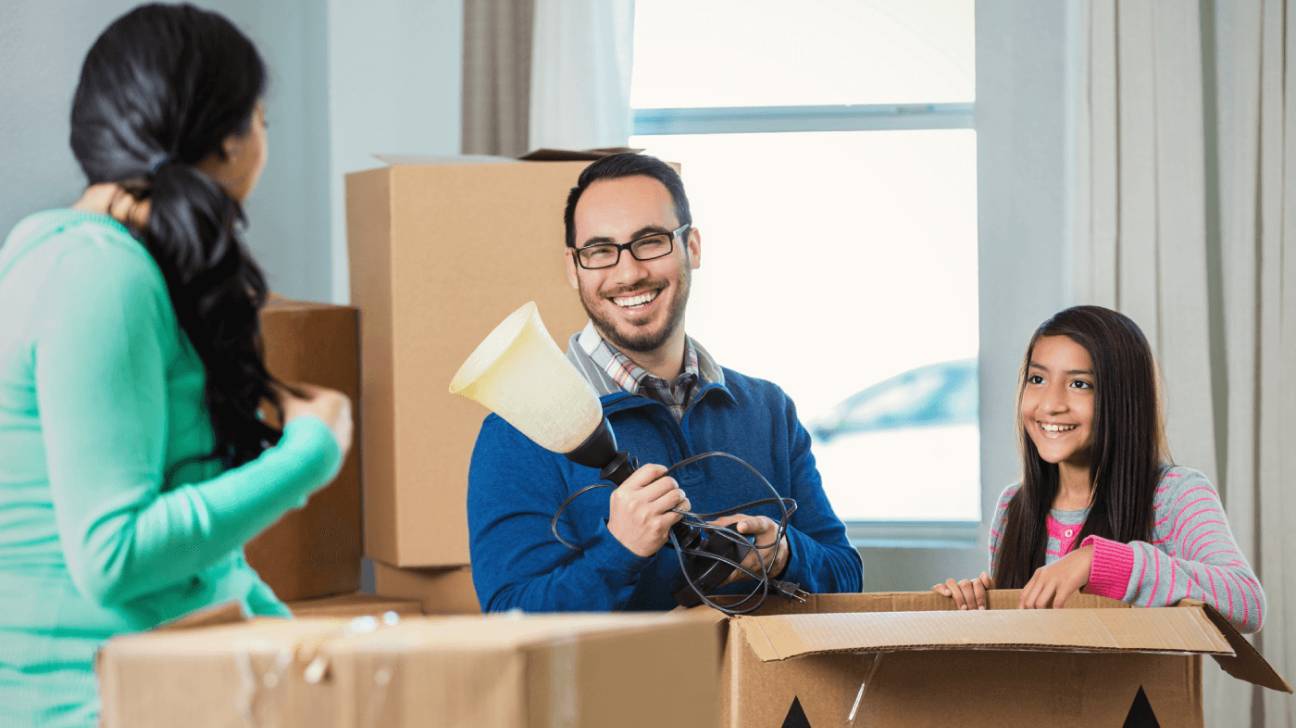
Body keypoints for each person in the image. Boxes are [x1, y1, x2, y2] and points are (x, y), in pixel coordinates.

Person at [0, 5, 353, 725]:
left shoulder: (108, 264)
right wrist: (309, 456)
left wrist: (302, 644)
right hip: (93, 707)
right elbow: (116, 555)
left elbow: (191, 561)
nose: (265, 137)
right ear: (227, 137)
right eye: (261, 117)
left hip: (169, 688)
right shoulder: (96, 276)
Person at [467, 153, 862, 611]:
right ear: (573, 268)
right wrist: (620, 551)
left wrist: (783, 553)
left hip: (758, 684)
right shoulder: (519, 431)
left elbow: (847, 578)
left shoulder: (768, 411)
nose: (629, 272)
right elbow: (509, 620)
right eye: (599, 251)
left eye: (650, 242)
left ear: (691, 247)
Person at [933, 306, 1264, 633]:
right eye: (1037, 379)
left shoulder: (1174, 494)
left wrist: (1100, 562)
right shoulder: (1012, 506)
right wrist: (977, 605)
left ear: (1123, 399)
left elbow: (1246, 602)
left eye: (1079, 384)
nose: (1050, 404)